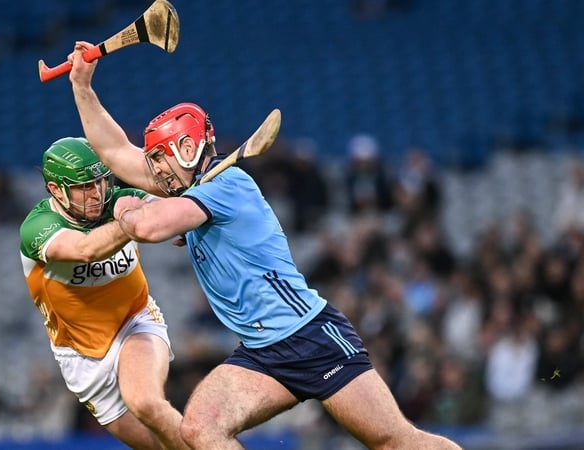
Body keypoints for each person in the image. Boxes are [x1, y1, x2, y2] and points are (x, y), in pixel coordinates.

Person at [66, 41, 463, 450]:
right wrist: (82, 87)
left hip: (309, 335)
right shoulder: (190, 189)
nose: (154, 171)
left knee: (395, 441)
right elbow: (115, 153)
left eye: (159, 159)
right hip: (261, 350)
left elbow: (149, 227)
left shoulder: (227, 184)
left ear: (187, 148)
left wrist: (127, 209)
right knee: (200, 429)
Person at [18, 137, 187, 450]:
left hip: (134, 322)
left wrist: (177, 221)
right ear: (56, 190)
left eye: (101, 182)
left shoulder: (119, 199)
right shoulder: (38, 227)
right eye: (84, 187)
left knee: (147, 403)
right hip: (79, 355)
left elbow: (167, 211)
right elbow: (85, 250)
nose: (97, 194)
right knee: (160, 446)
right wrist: (129, 222)